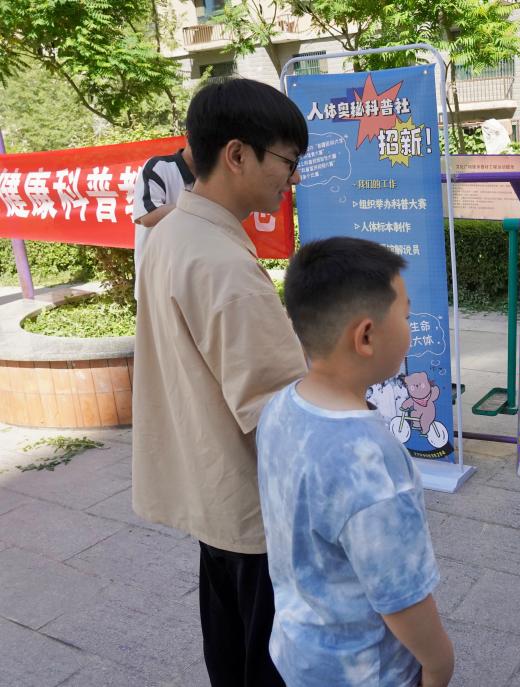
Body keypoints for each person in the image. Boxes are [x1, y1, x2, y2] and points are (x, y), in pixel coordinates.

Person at [132, 77, 309, 687]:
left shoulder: (169, 233)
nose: (291, 178)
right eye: (287, 160)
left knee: (229, 653)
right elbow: (281, 413)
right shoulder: (224, 263)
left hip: (213, 499)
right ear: (237, 154)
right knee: (272, 664)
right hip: (256, 511)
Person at [256, 237, 454, 687]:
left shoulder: (282, 406)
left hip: (298, 652)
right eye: (405, 316)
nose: (410, 327)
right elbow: (401, 598)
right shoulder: (371, 465)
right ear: (366, 336)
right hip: (366, 674)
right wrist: (440, 664)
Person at [131, 143, 196, 299]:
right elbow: (147, 216)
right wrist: (196, 205)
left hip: (193, 281)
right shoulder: (159, 166)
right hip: (156, 283)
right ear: (188, 136)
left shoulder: (215, 174)